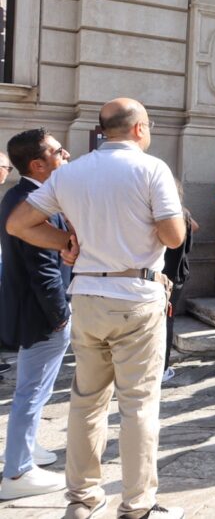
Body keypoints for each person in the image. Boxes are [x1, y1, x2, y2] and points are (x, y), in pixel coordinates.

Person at [6, 98, 186, 519]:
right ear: (139, 127)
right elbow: (174, 236)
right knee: (138, 404)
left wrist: (66, 243)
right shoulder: (151, 168)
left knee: (86, 401)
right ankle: (137, 505)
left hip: (87, 295)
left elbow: (18, 225)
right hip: (136, 295)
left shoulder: (70, 173)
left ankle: (83, 500)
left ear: (104, 130)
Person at [0, 129, 70, 500]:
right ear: (38, 164)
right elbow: (43, 267)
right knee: (31, 391)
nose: (68, 154)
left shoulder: (22, 195)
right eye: (59, 151)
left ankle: (24, 450)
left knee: (34, 390)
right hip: (41, 313)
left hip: (33, 310)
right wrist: (60, 316)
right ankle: (17, 472)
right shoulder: (29, 200)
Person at [162, 185, 196, 381]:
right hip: (176, 275)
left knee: (162, 321)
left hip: (161, 275)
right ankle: (162, 368)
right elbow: (188, 246)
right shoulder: (184, 214)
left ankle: (160, 368)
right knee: (166, 320)